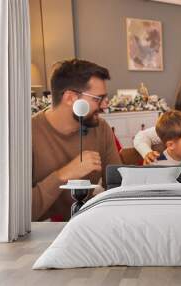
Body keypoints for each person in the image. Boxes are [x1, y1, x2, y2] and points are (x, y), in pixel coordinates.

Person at [32, 59, 121, 221]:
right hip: (39, 238)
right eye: (97, 99)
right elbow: (18, 213)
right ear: (70, 98)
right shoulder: (27, 135)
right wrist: (63, 174)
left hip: (87, 229)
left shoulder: (101, 128)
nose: (105, 105)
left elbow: (118, 188)